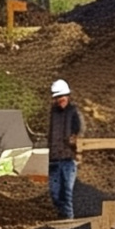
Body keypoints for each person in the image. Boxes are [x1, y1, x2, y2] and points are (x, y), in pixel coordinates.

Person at [48, 79, 85, 220]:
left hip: (68, 159)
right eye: (57, 98)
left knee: (67, 192)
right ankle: (61, 216)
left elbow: (81, 129)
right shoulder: (53, 112)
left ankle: (69, 220)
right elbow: (51, 133)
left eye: (61, 97)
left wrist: (75, 140)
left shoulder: (74, 112)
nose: (59, 100)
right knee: (55, 193)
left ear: (67, 96)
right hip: (54, 159)